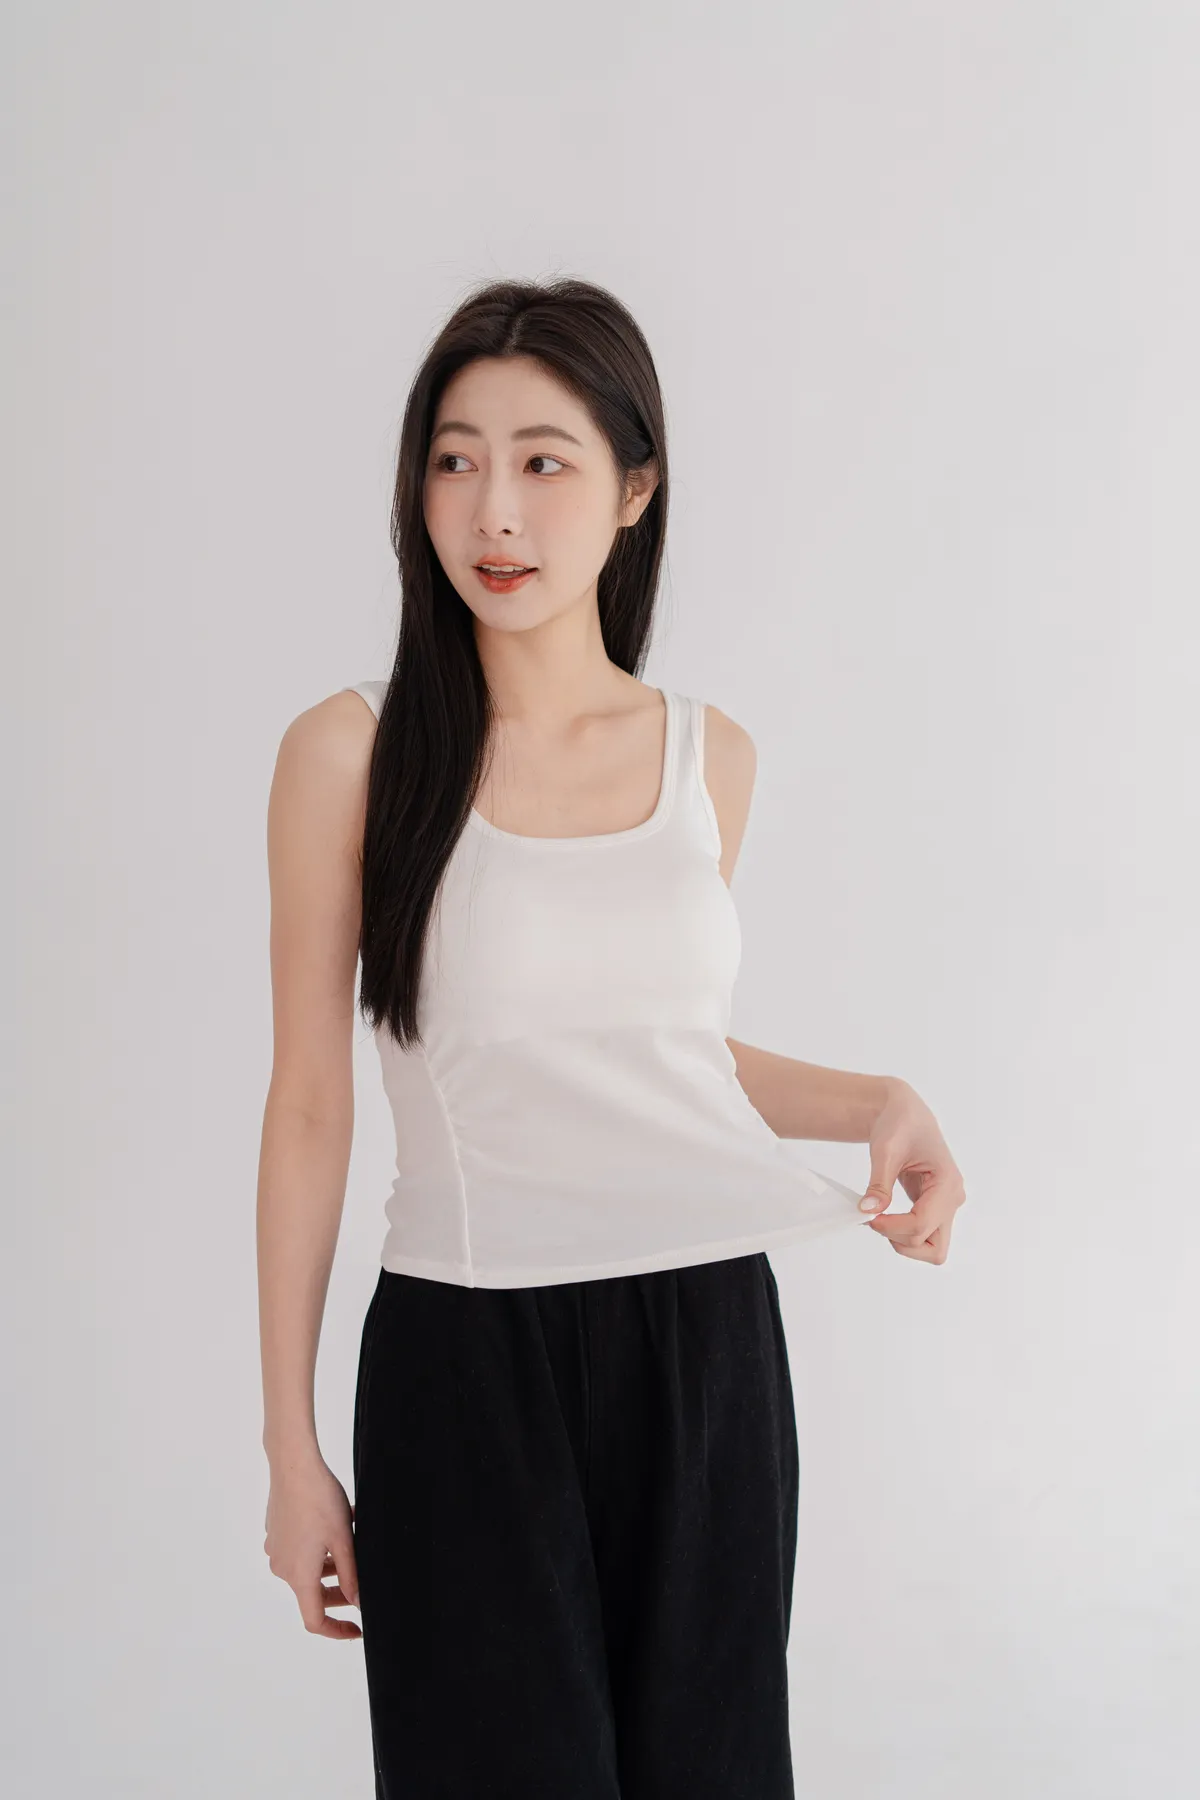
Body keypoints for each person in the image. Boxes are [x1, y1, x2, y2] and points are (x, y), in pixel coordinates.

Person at [257, 276, 966, 1799]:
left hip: (707, 1350)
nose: (494, 511)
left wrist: (876, 1101)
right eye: (455, 461)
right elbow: (310, 1103)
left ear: (636, 489)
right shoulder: (352, 753)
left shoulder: (709, 758)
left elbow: (656, 1060)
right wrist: (290, 1447)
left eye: (543, 461)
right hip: (466, 1355)